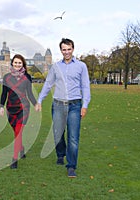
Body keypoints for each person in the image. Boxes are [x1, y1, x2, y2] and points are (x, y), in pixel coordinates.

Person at [35, 38, 91, 178]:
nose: (66, 52)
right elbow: (48, 84)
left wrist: (84, 105)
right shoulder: (56, 67)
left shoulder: (81, 66)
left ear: (73, 49)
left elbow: (85, 86)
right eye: (64, 49)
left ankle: (71, 166)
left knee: (73, 137)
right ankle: (61, 154)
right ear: (61, 50)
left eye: (69, 49)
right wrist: (40, 100)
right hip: (58, 105)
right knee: (58, 134)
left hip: (74, 105)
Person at [0, 54, 38, 169]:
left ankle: (14, 159)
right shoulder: (6, 77)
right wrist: (1, 106)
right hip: (10, 108)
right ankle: (21, 149)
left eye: (19, 63)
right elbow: (4, 93)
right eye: (15, 63)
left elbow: (29, 93)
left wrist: (35, 103)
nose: (17, 65)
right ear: (12, 63)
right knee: (16, 133)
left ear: (23, 64)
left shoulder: (27, 77)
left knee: (18, 133)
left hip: (23, 108)